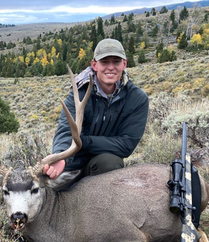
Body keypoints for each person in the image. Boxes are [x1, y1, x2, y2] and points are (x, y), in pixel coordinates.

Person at [42, 38, 149, 181]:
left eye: (116, 61)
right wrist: (61, 156)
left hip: (102, 164)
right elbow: (66, 131)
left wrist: (84, 142)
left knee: (111, 163)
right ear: (94, 65)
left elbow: (126, 145)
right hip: (73, 164)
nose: (110, 67)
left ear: (124, 64)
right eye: (104, 62)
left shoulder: (137, 99)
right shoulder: (78, 95)